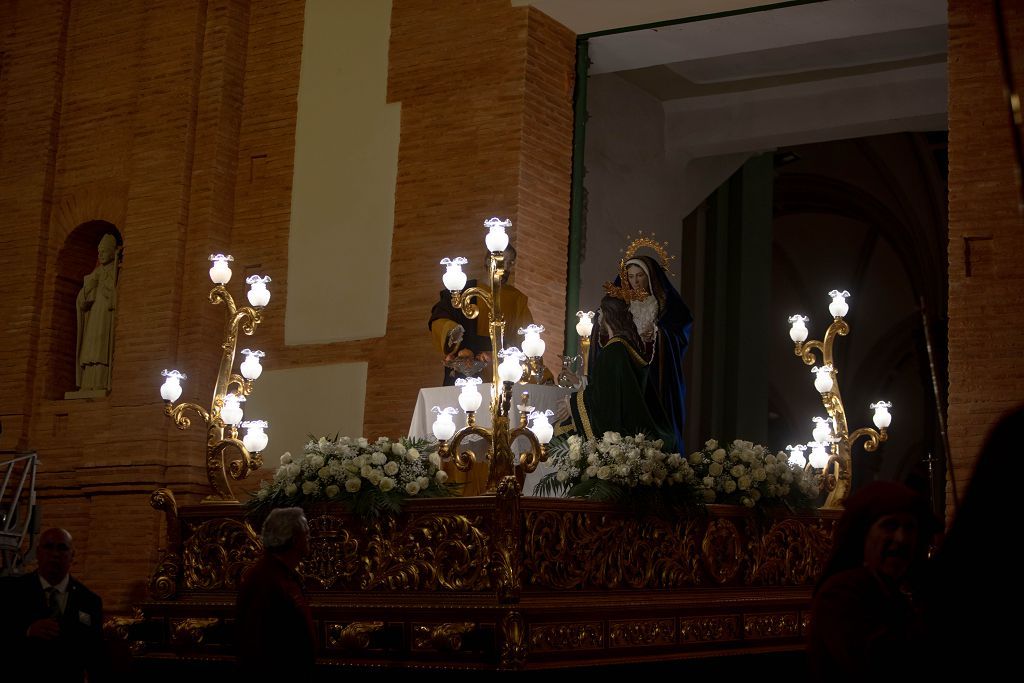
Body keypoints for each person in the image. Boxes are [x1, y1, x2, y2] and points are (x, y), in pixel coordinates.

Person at [807, 481, 936, 682]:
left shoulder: (892, 589)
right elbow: (881, 665)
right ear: (864, 534)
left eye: (909, 528)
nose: (901, 539)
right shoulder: (839, 594)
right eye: (890, 525)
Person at [598, 253, 693, 451]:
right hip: (627, 369)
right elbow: (607, 329)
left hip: (655, 372)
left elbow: (680, 333)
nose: (635, 281)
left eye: (639, 276)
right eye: (630, 277)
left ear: (649, 277)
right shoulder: (622, 302)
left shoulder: (664, 303)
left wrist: (659, 335)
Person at [567, 295, 676, 450]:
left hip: (622, 433)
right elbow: (612, 387)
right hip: (638, 429)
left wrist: (574, 403)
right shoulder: (627, 346)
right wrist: (581, 384)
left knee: (559, 433)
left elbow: (607, 401)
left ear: (606, 316)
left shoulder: (613, 350)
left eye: (602, 313)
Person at [0, 527, 107, 681]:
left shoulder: (89, 601)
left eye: (62, 548)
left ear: (72, 555)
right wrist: (28, 631)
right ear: (37, 552)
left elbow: (96, 656)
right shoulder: (10, 592)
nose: (55, 554)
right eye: (48, 547)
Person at [429, 246, 532, 386]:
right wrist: (452, 331)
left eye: (511, 262)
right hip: (466, 367)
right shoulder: (466, 291)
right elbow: (440, 317)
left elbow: (527, 340)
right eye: (503, 261)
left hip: (502, 371)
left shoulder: (516, 299)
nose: (506, 267)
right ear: (487, 261)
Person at [236, 507, 315, 680]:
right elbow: (257, 644)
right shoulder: (264, 579)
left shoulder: (284, 574)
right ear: (294, 540)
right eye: (306, 534)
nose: (310, 539)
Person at [74, 233, 119, 392]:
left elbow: (115, 295)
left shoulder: (115, 271)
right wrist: (88, 288)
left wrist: (107, 287)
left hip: (106, 315)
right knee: (91, 345)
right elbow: (83, 298)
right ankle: (87, 383)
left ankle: (100, 381)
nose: (101, 255)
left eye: (104, 251)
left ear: (113, 252)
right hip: (94, 315)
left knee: (101, 347)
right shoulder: (97, 271)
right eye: (99, 252)